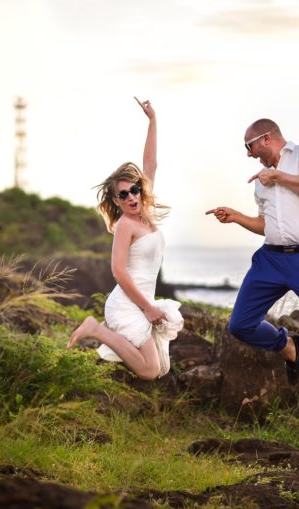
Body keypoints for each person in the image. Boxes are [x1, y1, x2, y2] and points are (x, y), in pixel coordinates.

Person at [206, 118, 299, 385]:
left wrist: (278, 177)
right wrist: (237, 217)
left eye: (249, 146)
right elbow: (266, 225)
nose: (249, 154)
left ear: (266, 138)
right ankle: (288, 345)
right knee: (240, 325)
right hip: (270, 261)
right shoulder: (260, 181)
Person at [67, 98, 183, 380]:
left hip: (141, 302)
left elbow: (151, 163)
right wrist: (148, 308)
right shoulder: (124, 225)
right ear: (116, 201)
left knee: (158, 368)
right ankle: (96, 329)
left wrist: (152, 120)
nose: (131, 196)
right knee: (150, 370)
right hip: (127, 305)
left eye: (134, 190)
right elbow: (118, 271)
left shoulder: (145, 211)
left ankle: (104, 335)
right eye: (123, 194)